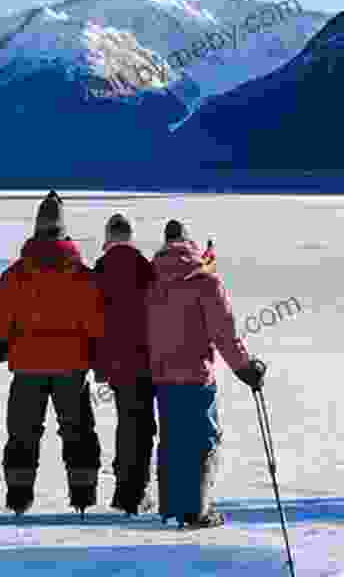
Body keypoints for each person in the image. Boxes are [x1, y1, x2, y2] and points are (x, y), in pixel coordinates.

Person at [0, 191, 105, 517]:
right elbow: (96, 319)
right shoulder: (82, 275)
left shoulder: (15, 274)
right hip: (73, 366)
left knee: (23, 434)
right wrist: (96, 351)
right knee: (78, 432)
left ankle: (19, 499)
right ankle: (83, 496)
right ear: (63, 229)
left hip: (27, 367)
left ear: (36, 228)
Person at [147, 220, 266, 529]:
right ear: (191, 246)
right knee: (203, 441)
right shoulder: (205, 282)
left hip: (162, 376)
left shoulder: (150, 281)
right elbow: (224, 333)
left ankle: (173, 507)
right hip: (196, 376)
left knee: (172, 440)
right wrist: (244, 368)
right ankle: (197, 511)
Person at [92, 213, 157, 515]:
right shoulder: (145, 268)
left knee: (127, 422)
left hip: (114, 362)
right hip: (143, 359)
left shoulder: (100, 269)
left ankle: (124, 489)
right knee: (140, 426)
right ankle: (133, 493)